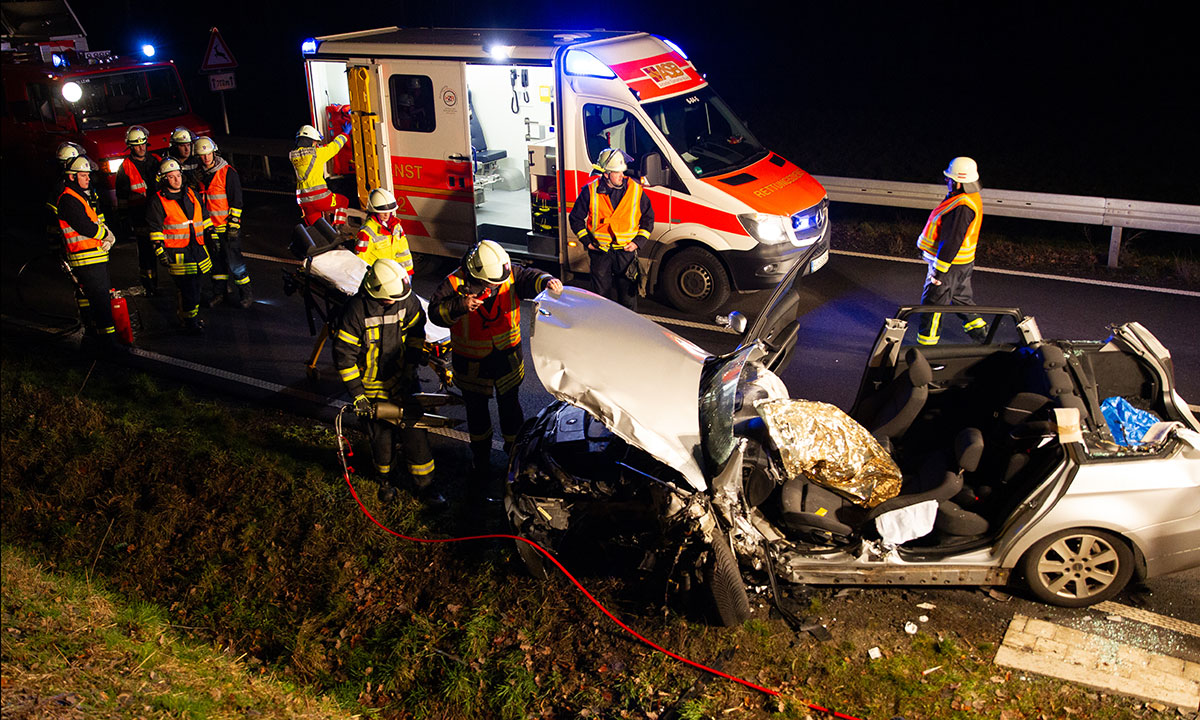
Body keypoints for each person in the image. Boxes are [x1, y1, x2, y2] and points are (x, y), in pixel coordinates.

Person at [429, 240, 562, 489]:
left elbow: (529, 277)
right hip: (472, 365)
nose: (497, 285)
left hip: (506, 359)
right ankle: (481, 463)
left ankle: (515, 461)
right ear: (477, 273)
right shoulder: (454, 283)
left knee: (511, 412)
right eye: (491, 283)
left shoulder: (506, 271)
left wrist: (546, 281)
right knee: (478, 417)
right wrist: (460, 305)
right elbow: (435, 313)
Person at [333, 258, 444, 508]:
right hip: (371, 388)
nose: (395, 302)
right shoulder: (355, 312)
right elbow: (344, 357)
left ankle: (426, 488)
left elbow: (417, 330)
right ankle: (385, 481)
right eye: (389, 299)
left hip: (403, 380)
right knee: (381, 440)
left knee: (416, 436)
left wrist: (412, 362)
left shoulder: (403, 296)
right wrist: (358, 395)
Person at [568, 147, 653, 310]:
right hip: (600, 252)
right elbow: (575, 218)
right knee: (601, 299)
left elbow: (649, 219)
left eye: (622, 171)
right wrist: (587, 241)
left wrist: (637, 242)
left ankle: (628, 331)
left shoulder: (635, 191)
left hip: (626, 253)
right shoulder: (590, 191)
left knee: (628, 300)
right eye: (617, 172)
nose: (622, 175)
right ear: (606, 174)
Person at [916, 156, 987, 345]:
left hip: (950, 266)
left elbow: (951, 241)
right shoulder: (968, 198)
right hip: (962, 263)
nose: (947, 181)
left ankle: (926, 348)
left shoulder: (961, 206)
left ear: (958, 182)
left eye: (949, 179)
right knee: (961, 299)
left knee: (933, 305)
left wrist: (939, 271)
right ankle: (982, 334)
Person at [146, 157, 214, 334]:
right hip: (178, 252)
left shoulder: (191, 194)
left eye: (178, 176)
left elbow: (204, 216)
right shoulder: (158, 201)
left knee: (196, 286)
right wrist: (160, 250)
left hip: (197, 248)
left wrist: (211, 233)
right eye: (171, 177)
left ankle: (190, 316)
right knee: (188, 289)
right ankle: (190, 321)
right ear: (164, 179)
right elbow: (155, 228)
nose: (176, 180)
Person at [57, 156, 117, 345]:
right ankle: (108, 342)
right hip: (86, 259)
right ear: (72, 177)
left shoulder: (79, 196)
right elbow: (85, 227)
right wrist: (105, 235)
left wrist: (104, 234)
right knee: (101, 301)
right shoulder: (68, 199)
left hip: (93, 256)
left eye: (88, 176)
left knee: (96, 298)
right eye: (83, 176)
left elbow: (92, 221)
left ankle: (95, 335)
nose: (88, 179)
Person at [193, 137, 253, 308]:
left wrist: (233, 226)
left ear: (214, 152)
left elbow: (237, 202)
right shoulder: (199, 176)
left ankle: (246, 295)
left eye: (208, 154)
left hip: (227, 227)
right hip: (209, 227)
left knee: (236, 264)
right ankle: (219, 293)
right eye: (202, 155)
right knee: (217, 265)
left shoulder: (227, 172)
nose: (206, 158)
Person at [115, 126, 162, 295]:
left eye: (143, 144)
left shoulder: (156, 160)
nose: (141, 148)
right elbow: (122, 197)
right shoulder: (125, 167)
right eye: (137, 145)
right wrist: (124, 218)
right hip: (140, 216)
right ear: (130, 146)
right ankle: (149, 285)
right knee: (146, 252)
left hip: (160, 215)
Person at [290, 124, 349, 227]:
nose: (317, 144)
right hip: (320, 198)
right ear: (312, 141)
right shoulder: (317, 154)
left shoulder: (293, 155)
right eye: (316, 142)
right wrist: (344, 134)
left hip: (303, 201)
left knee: (317, 230)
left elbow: (310, 152)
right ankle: (339, 227)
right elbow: (334, 146)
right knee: (344, 201)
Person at [354, 188, 414, 274]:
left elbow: (403, 251)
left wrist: (407, 272)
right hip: (378, 275)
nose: (386, 215)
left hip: (394, 273)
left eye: (389, 211)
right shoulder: (366, 232)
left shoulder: (396, 227)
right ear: (374, 211)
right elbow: (361, 258)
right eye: (382, 212)